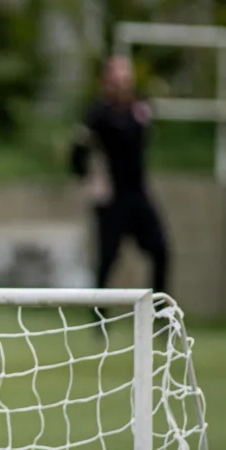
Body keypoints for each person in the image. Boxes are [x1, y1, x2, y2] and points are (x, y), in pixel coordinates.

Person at [70, 55, 169, 295]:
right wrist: (88, 178)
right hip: (111, 197)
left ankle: (159, 313)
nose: (123, 84)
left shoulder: (139, 110)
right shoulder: (98, 114)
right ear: (107, 82)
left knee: (160, 250)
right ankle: (98, 316)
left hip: (137, 193)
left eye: (126, 79)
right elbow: (78, 150)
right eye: (118, 79)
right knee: (108, 258)